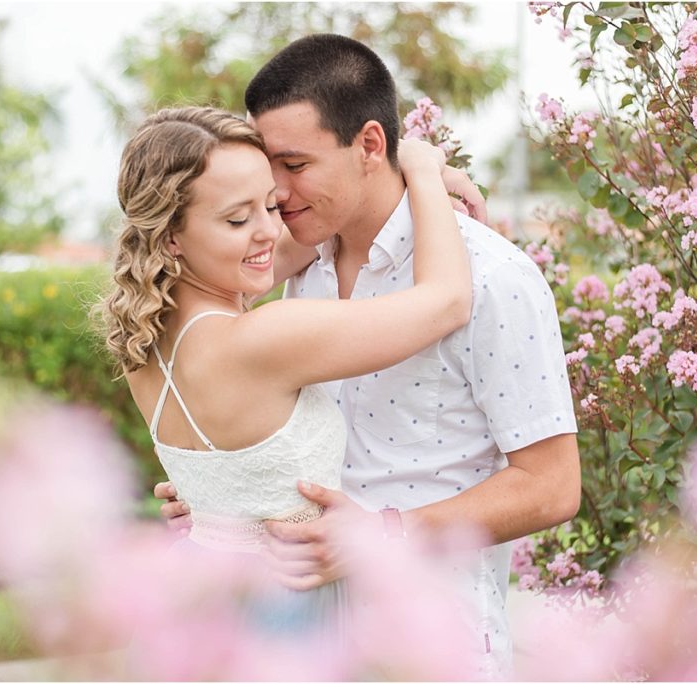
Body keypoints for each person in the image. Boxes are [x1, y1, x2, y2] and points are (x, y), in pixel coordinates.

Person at [156, 34, 582, 677]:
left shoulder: (494, 277)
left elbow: (552, 487)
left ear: (371, 146)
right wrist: (227, 493)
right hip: (301, 638)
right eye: (269, 166)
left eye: (294, 165)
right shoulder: (298, 260)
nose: (277, 191)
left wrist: (381, 534)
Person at [103, 106, 473, 631]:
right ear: (170, 239)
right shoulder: (261, 339)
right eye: (237, 218)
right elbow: (447, 301)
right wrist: (420, 166)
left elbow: (304, 239)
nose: (268, 231)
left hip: (202, 587)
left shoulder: (145, 339)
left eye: (272, 206)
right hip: (281, 603)